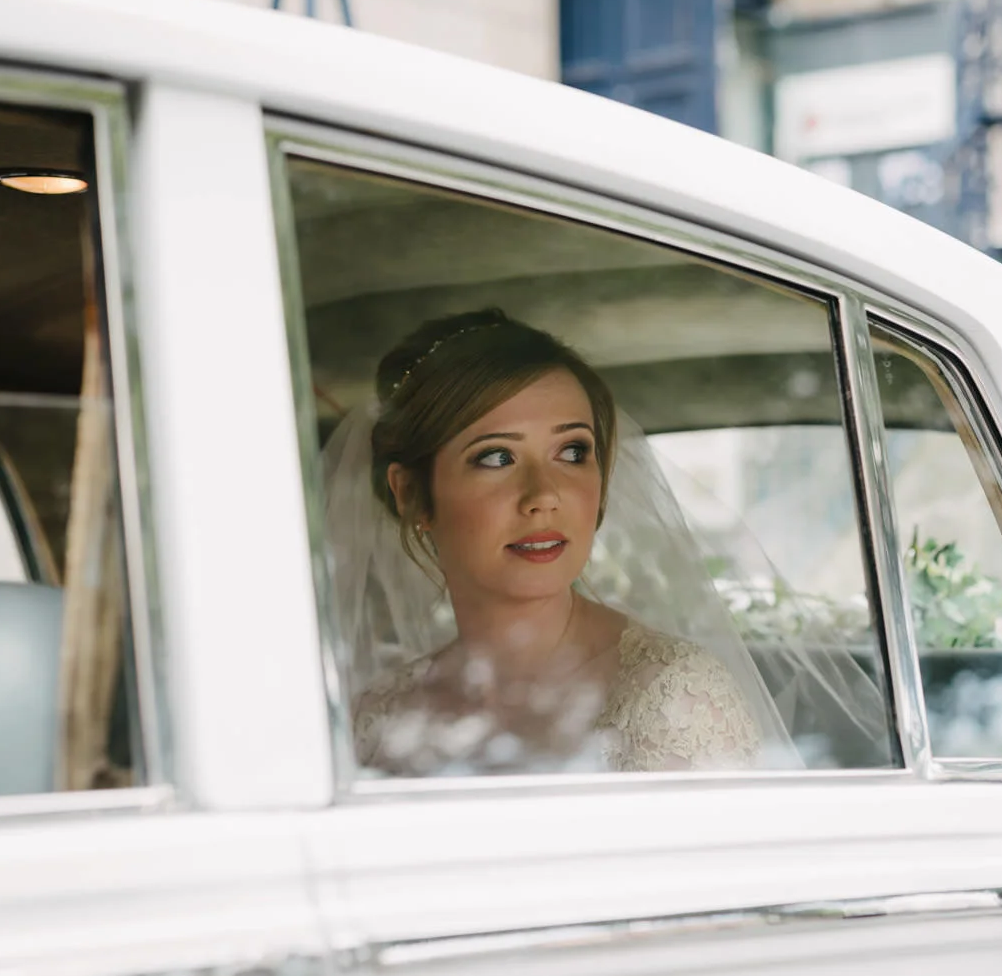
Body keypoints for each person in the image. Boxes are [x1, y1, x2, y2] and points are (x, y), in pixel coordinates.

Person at [321, 308, 889, 777]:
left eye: (573, 452)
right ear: (413, 496)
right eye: (496, 457)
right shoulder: (378, 716)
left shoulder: (672, 695)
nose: (543, 495)